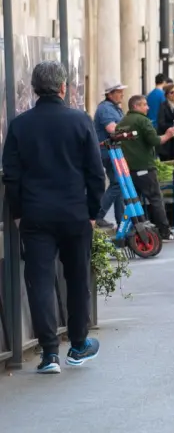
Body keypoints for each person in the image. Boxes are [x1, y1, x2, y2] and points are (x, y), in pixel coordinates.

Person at [1, 61, 105, 373]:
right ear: (63, 88)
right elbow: (95, 173)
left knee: (40, 282)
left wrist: (19, 214)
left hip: (35, 215)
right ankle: (78, 344)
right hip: (74, 213)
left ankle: (49, 354)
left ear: (34, 89)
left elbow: (12, 176)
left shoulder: (20, 125)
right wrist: (92, 213)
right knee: (76, 280)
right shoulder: (79, 121)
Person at [116, 95, 174, 241]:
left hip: (129, 170)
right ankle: (164, 232)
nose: (148, 107)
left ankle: (139, 230)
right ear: (136, 107)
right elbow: (155, 140)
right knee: (155, 199)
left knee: (133, 201)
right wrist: (169, 134)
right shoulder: (143, 121)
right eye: (144, 105)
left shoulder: (121, 123)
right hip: (145, 167)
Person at [93, 82, 127, 229]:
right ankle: (98, 215)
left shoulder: (114, 108)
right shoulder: (106, 109)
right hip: (109, 152)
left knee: (118, 185)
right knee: (117, 184)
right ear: (110, 94)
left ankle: (121, 220)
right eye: (118, 92)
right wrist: (127, 132)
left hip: (115, 151)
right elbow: (112, 129)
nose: (122, 94)